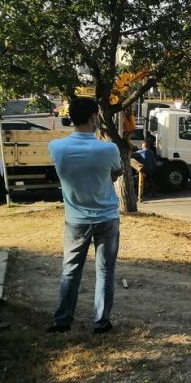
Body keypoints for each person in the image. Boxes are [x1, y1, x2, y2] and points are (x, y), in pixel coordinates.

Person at [46, 97, 123, 334]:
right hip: (106, 218)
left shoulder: (56, 147)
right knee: (105, 271)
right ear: (93, 117)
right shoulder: (108, 148)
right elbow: (115, 173)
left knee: (70, 271)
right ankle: (101, 322)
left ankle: (62, 321)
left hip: (76, 219)